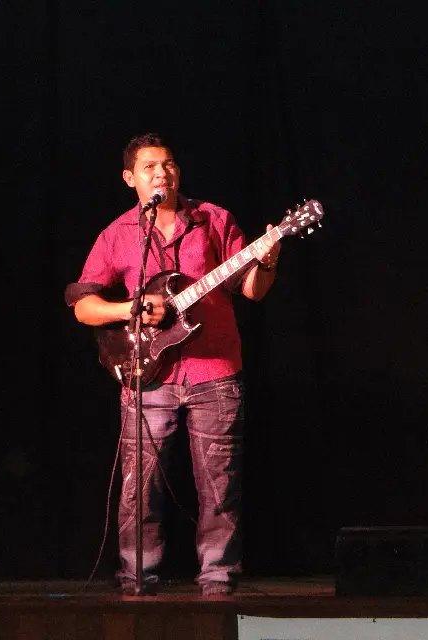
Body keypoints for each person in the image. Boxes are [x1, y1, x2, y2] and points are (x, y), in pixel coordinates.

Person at [65, 133, 281, 596]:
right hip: (145, 376)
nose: (162, 173)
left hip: (215, 372)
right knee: (138, 488)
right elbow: (83, 307)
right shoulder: (117, 234)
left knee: (220, 487)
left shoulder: (214, 219)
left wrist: (266, 261)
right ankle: (136, 578)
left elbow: (252, 290)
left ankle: (218, 580)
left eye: (169, 164)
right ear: (130, 178)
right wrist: (131, 309)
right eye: (150, 167)